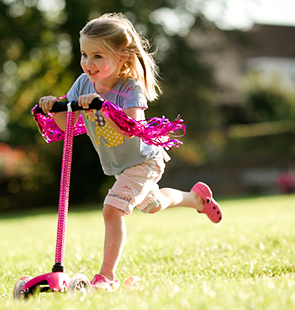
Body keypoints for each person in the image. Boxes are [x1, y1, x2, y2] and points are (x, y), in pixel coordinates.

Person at [38, 13, 223, 291]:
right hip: (120, 166)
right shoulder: (82, 84)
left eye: (98, 56)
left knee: (112, 210)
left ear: (122, 57)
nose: (89, 63)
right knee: (153, 204)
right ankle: (196, 199)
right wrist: (54, 108)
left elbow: (131, 128)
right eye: (84, 55)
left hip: (144, 160)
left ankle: (106, 277)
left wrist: (102, 107)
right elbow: (68, 126)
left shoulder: (129, 88)